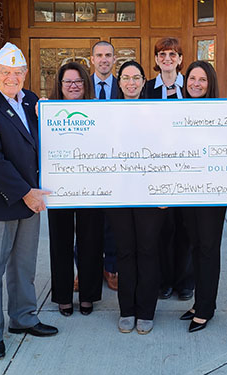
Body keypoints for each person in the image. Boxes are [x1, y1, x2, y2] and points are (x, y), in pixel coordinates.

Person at [0, 42, 58, 360]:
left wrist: (50, 117)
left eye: (18, 73)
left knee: (23, 265)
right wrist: (26, 192)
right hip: (0, 201)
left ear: (25, 74)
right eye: (5, 72)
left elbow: (46, 143)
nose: (12, 77)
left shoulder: (32, 100)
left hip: (31, 199)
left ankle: (23, 318)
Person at [105, 60, 167, 335]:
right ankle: (126, 310)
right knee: (125, 252)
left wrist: (167, 189)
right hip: (118, 192)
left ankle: (146, 311)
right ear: (119, 83)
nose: (131, 82)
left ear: (144, 82)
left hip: (150, 192)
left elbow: (171, 149)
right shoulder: (106, 113)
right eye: (126, 78)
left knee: (148, 251)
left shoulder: (158, 111)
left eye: (136, 78)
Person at [47, 62, 104, 317]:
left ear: (86, 85)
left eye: (78, 82)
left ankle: (88, 295)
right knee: (60, 242)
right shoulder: (48, 112)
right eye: (68, 82)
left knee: (90, 241)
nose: (73, 86)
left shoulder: (97, 111)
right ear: (60, 86)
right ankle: (63, 295)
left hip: (91, 186)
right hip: (58, 186)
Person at [178, 61, 227, 333]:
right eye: (192, 79)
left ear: (210, 84)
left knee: (208, 248)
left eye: (202, 80)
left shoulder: (221, 112)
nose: (196, 83)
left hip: (212, 190)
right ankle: (199, 302)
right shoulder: (179, 109)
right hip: (187, 190)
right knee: (195, 246)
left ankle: (206, 308)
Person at [145, 37, 194, 301]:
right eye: (162, 54)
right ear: (155, 59)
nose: (167, 59)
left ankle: (184, 281)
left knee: (185, 226)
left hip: (187, 166)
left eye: (172, 54)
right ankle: (163, 280)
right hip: (157, 166)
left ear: (180, 59)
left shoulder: (192, 86)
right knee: (162, 227)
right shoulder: (147, 88)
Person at [90, 40, 118, 291]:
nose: (104, 59)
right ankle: (85, 269)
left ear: (114, 59)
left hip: (116, 163)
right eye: (99, 55)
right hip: (86, 164)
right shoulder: (79, 86)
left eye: (108, 55)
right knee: (85, 221)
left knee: (112, 222)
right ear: (92, 59)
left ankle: (111, 268)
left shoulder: (126, 86)